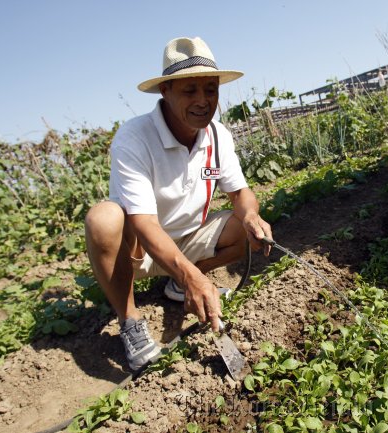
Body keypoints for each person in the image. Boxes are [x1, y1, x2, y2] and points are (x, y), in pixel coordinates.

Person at [84, 36, 272, 371]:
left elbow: (240, 193)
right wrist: (191, 276)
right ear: (165, 91)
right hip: (140, 251)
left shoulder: (218, 136)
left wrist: (252, 217)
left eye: (210, 90)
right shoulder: (136, 137)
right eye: (190, 91)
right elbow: (143, 223)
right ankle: (130, 321)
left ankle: (177, 285)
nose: (203, 101)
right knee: (103, 219)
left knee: (242, 228)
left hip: (189, 241)